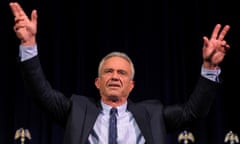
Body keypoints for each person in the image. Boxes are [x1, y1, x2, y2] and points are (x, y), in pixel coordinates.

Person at [9, 2, 231, 144]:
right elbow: (41, 93)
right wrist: (29, 44)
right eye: (109, 72)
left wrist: (210, 68)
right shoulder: (76, 109)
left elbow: (194, 112)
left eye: (122, 73)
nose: (115, 76)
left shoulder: (152, 113)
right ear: (98, 82)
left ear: (131, 85)